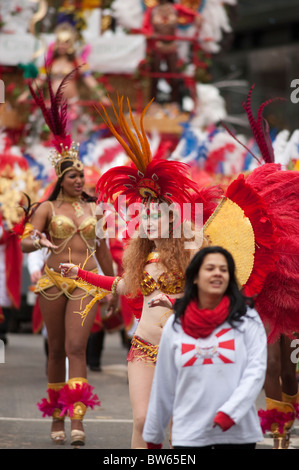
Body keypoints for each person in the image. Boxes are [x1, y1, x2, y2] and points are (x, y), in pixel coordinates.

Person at [60, 96, 221, 448]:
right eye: (141, 212)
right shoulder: (140, 254)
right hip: (145, 348)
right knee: (144, 421)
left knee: (181, 427)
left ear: (169, 214)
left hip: (186, 348)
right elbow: (122, 286)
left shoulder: (192, 244)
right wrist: (79, 274)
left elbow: (216, 277)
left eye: (152, 211)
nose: (145, 218)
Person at [19, 74, 116, 447]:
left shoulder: (96, 210)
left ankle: (78, 421)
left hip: (87, 281)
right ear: (61, 178)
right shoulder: (46, 207)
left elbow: (104, 251)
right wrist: (35, 239)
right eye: (74, 175)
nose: (80, 180)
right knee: (56, 350)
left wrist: (112, 287)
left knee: (77, 348)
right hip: (52, 282)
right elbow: (27, 241)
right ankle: (56, 421)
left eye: (82, 175)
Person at [142, 246, 267, 449]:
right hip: (190, 434)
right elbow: (164, 383)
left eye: (224, 269)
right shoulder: (176, 324)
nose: (217, 273)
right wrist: (153, 435)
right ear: (195, 277)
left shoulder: (246, 318)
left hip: (237, 433)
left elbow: (256, 370)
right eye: (210, 268)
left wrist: (231, 412)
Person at [142, 0, 201, 107]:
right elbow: (145, 27)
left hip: (172, 45)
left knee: (174, 74)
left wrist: (197, 19)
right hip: (157, 46)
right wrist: (150, 34)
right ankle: (153, 103)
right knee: (154, 74)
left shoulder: (176, 8)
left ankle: (175, 103)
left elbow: (192, 15)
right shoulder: (152, 10)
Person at [258, 335, 299, 449]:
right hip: (267, 317)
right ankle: (278, 433)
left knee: (288, 375)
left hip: (292, 319)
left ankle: (287, 427)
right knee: (271, 364)